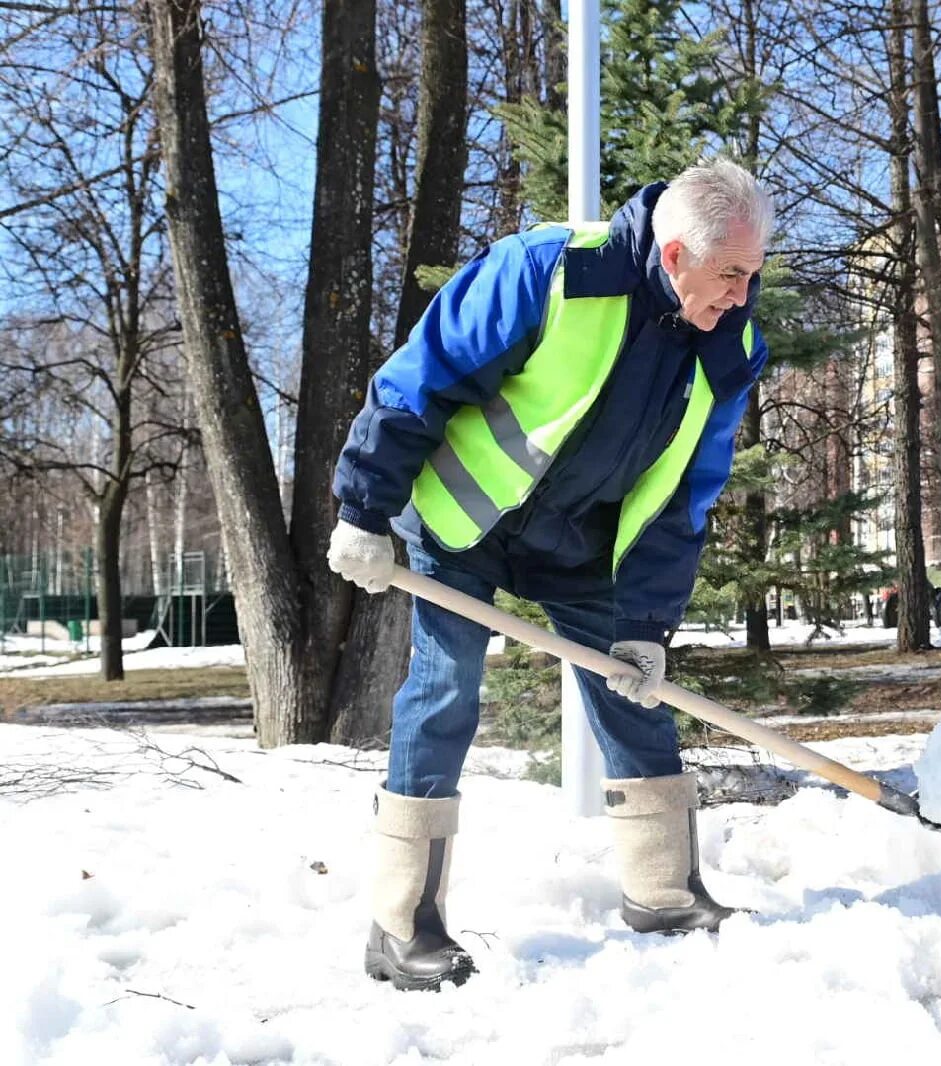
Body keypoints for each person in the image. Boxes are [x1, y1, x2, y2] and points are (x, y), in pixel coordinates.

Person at [327, 159, 771, 991]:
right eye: (730, 275)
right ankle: (401, 924)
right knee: (446, 685)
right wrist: (362, 509)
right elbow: (420, 378)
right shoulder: (549, 270)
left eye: (753, 274)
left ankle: (664, 889)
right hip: (465, 520)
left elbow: (684, 495)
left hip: (579, 541)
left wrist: (647, 624)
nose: (742, 296)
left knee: (632, 691)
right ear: (674, 255)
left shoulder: (732, 347)